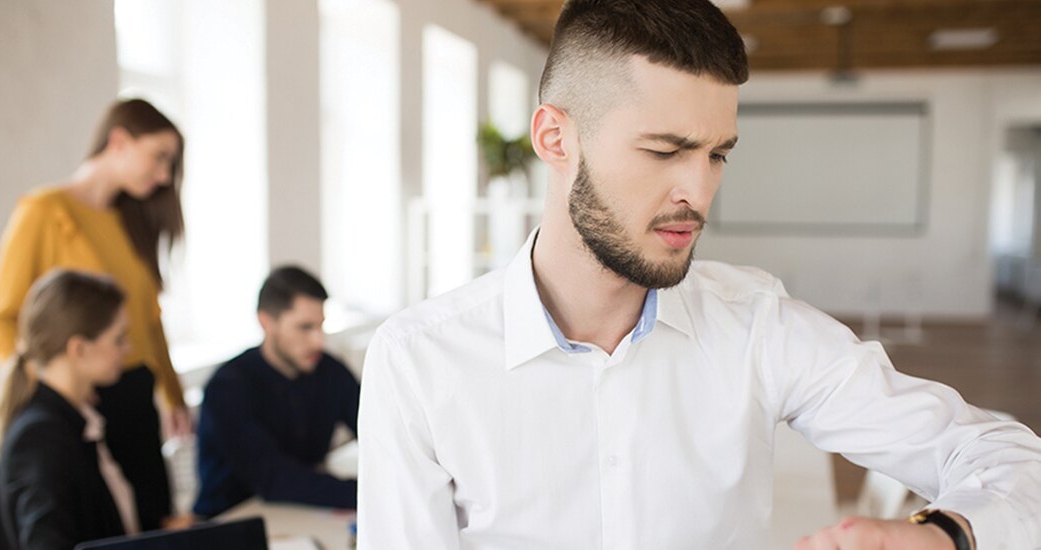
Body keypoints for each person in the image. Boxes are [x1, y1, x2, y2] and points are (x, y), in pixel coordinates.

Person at [356, 1, 1041, 549]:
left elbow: (1008, 457)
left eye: (717, 155)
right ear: (555, 139)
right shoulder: (419, 362)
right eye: (664, 151)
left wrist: (948, 533)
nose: (700, 191)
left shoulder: (758, 326)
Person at [0, 98, 190, 531]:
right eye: (159, 157)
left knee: (153, 522)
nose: (164, 175)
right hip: (80, 397)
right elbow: (0, 318)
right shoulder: (44, 211)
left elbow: (149, 320)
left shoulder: (132, 219)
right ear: (118, 141)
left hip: (135, 393)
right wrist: (47, 385)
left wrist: (172, 392)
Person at [193, 266, 360, 518]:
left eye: (320, 326)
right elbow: (272, 478)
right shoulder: (228, 387)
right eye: (305, 327)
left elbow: (375, 430)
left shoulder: (329, 371)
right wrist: (365, 492)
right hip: (230, 519)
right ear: (266, 322)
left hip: (300, 512)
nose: (318, 341)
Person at [0, 270, 133, 549]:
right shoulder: (39, 439)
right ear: (79, 349)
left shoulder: (71, 420)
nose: (128, 348)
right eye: (118, 339)